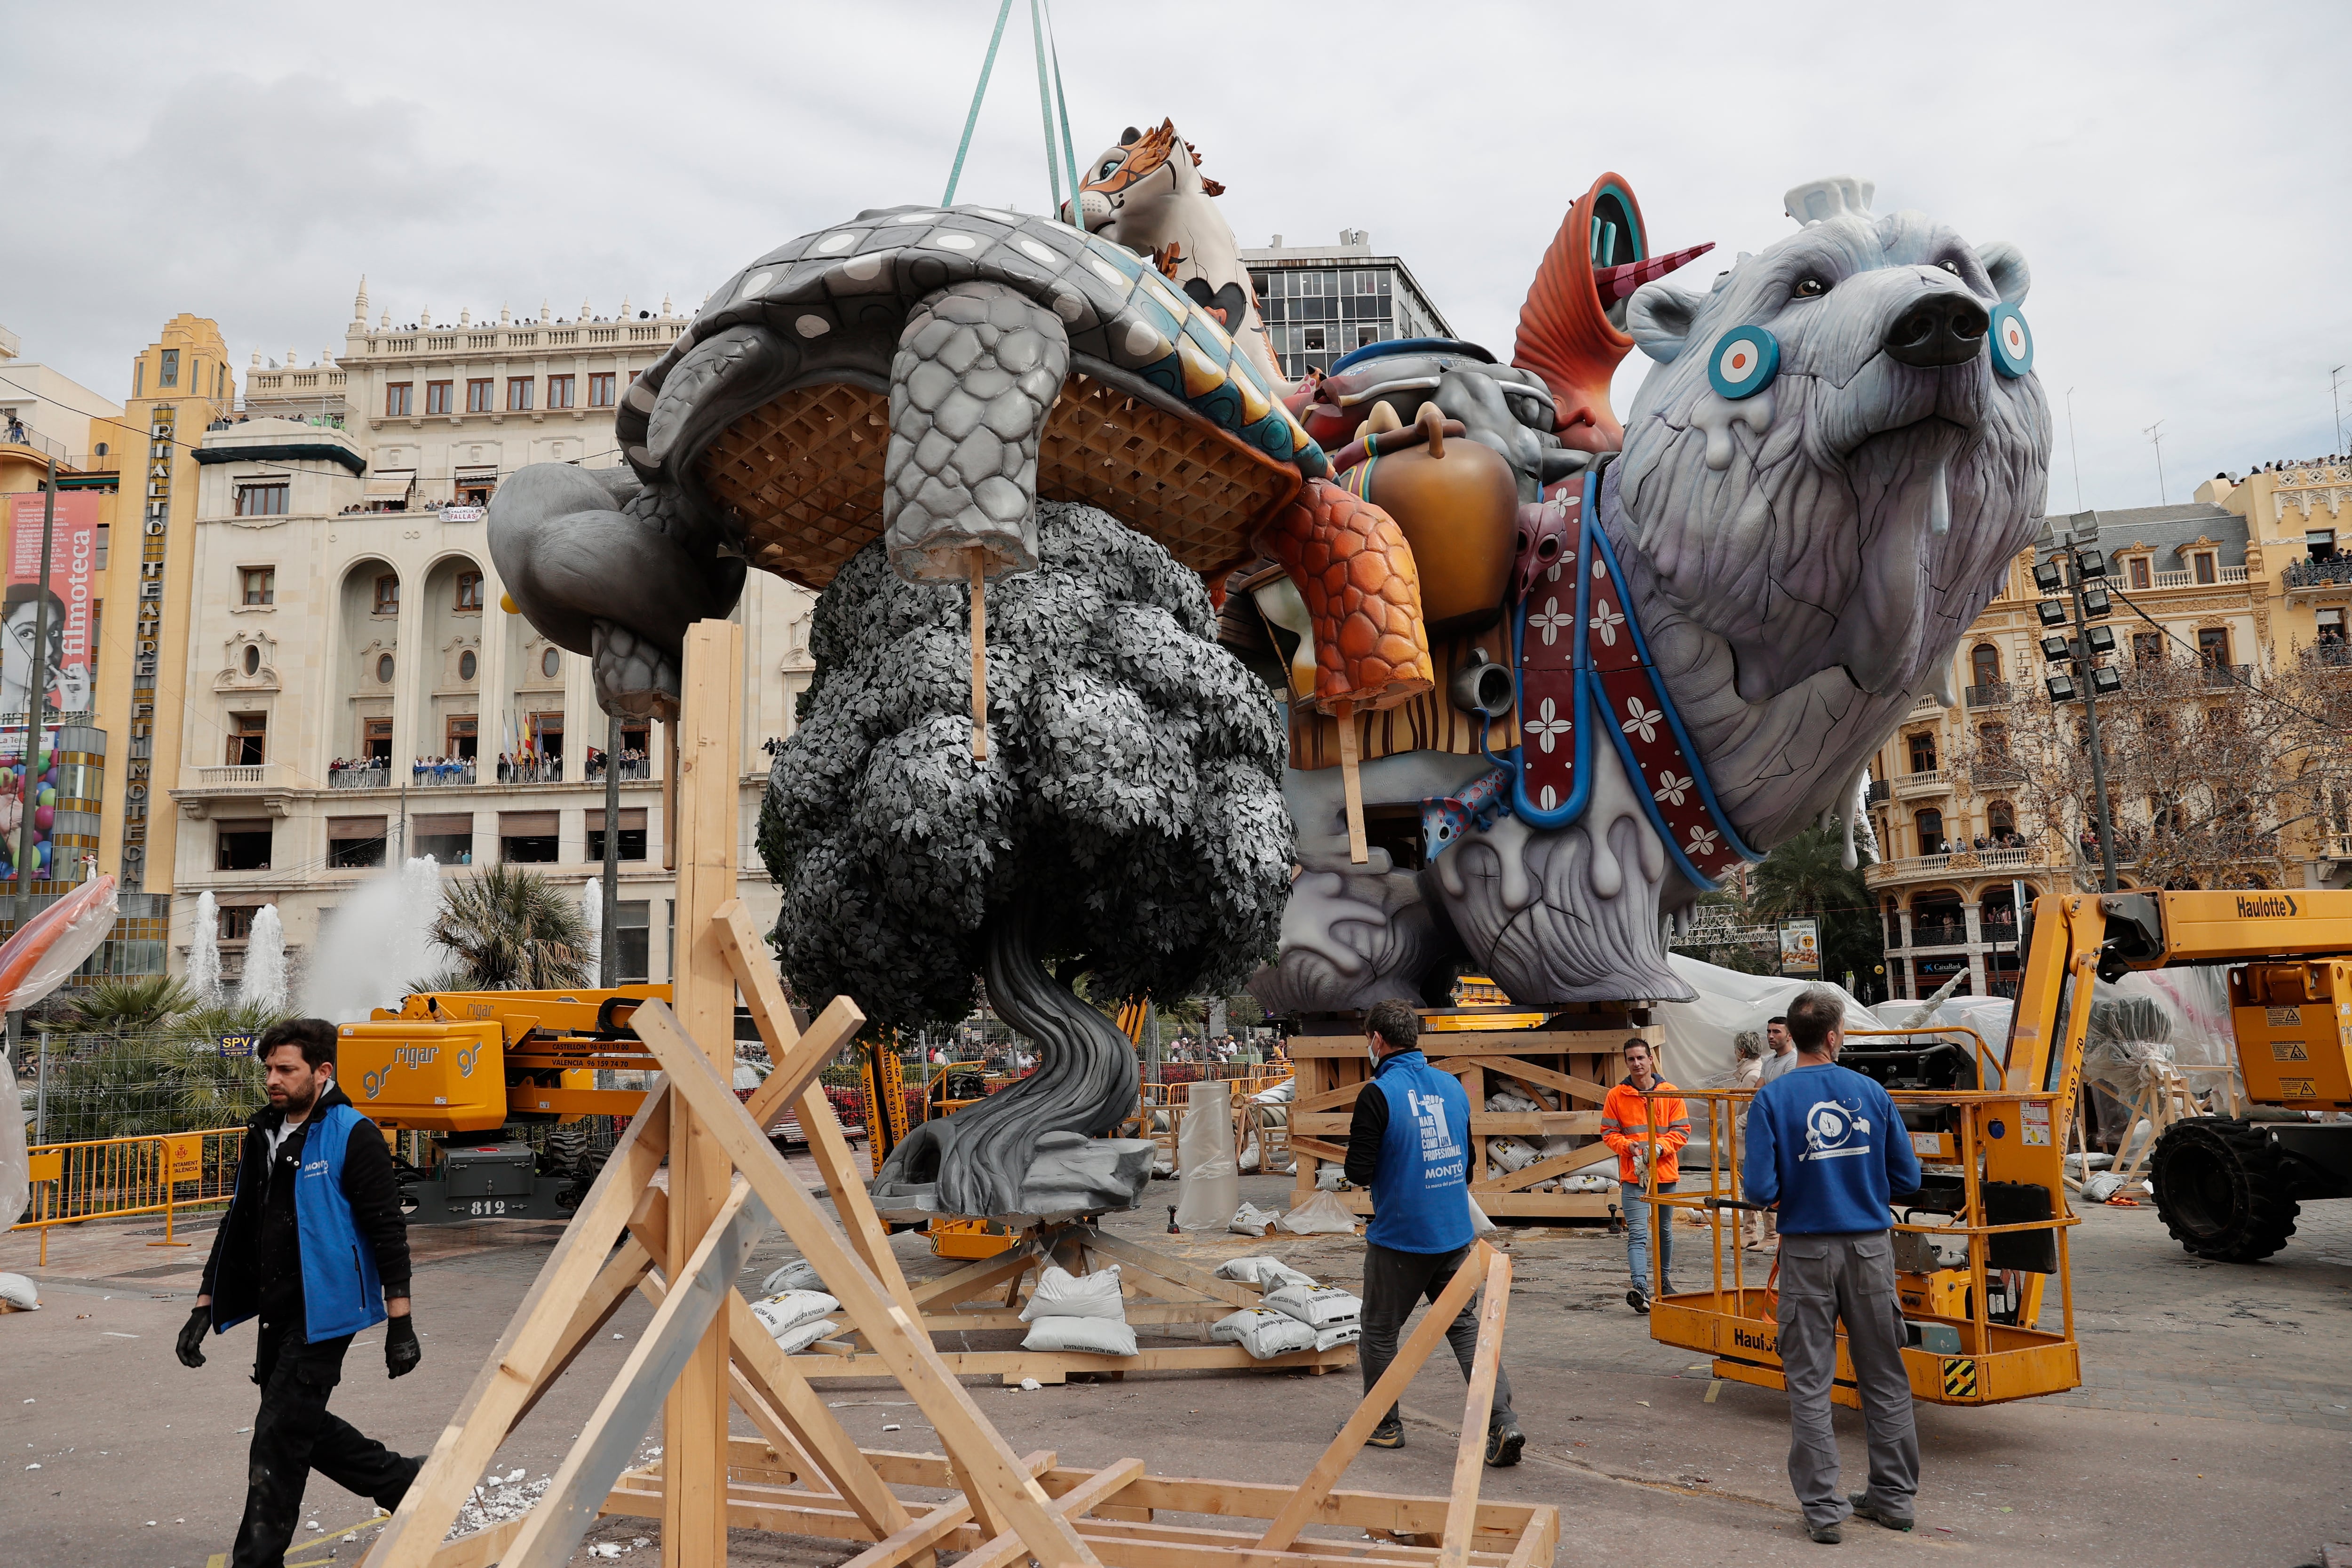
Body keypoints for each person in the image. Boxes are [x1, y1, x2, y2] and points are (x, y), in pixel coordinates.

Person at [177, 1019, 425, 1567]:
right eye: (268, 1069)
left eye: (286, 1069)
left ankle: (258, 1561)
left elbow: (388, 1230)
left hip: (325, 1313)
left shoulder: (352, 1132)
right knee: (293, 1421)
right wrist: (204, 1304)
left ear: (322, 1071)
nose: (273, 1079)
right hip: (276, 1309)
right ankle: (403, 1478)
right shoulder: (264, 1131)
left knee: (276, 1437)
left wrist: (400, 1324)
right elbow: (237, 1222)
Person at [1743, 985, 1923, 1544]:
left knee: (1809, 1381)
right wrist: (1861, 1185)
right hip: (1870, 1251)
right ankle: (1893, 1499)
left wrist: (1799, 1189)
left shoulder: (1771, 1100)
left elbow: (1758, 1189)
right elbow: (1908, 1180)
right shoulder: (1870, 1092)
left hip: (1806, 1252)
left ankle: (1823, 1511)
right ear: (1831, 1036)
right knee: (1884, 1376)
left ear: (1792, 1039)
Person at [1342, 998, 1524, 1465]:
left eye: (1368, 1038)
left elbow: (1359, 1169)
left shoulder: (1377, 1094)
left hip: (1400, 1238)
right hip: (1453, 1233)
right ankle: (1501, 1422)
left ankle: (1382, 1426)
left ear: (1377, 1040)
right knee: (1465, 1329)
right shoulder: (1452, 1087)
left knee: (1379, 1332)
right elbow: (1465, 1167)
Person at [1601, 1037, 1689, 1312]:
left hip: (1664, 1174)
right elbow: (1608, 1133)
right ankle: (1640, 1287)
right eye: (1631, 1059)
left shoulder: (1670, 1093)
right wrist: (1628, 1147)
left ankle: (1664, 1283)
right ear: (1626, 1063)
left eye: (1641, 1058)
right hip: (1634, 1176)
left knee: (1664, 1231)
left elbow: (1683, 1131)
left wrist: (1661, 1147)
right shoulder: (1616, 1096)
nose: (1637, 1063)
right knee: (1638, 1234)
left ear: (1651, 1059)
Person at [1730, 1030, 1773, 1251]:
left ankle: (1769, 1233)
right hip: (1744, 1138)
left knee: (1754, 1186)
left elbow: (1752, 1109)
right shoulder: (1749, 1072)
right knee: (1746, 1186)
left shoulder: (1751, 1075)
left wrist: (1736, 1123)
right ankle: (1750, 1232)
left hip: (1749, 1139)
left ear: (1742, 1050)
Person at [1761, 1015, 1798, 1084]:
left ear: (1789, 1036)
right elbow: (1756, 1091)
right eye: (1769, 1032)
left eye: (1776, 1032)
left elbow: (1784, 1091)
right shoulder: (1768, 1060)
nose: (1771, 1036)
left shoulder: (1794, 1061)